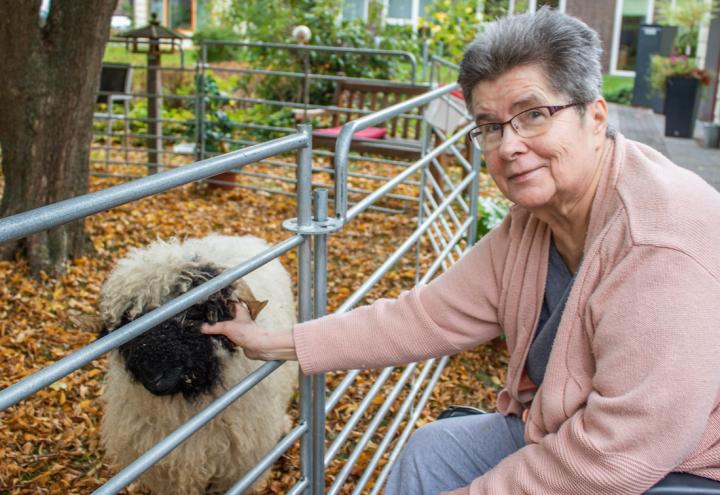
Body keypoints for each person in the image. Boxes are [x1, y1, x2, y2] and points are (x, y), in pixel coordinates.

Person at [202, 7, 720, 495]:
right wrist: (270, 342)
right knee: (433, 451)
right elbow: (421, 317)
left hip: (678, 466)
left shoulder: (660, 242)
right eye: (490, 127)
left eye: (533, 114)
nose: (509, 145)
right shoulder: (534, 226)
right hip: (565, 430)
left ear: (596, 116)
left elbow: (620, 453)